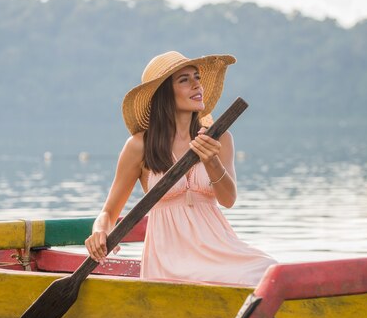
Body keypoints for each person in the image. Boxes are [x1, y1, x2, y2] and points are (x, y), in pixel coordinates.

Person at [85, 51, 276, 285]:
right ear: (164, 94)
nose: (197, 84)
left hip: (220, 248)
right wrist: (99, 231)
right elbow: (108, 213)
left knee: (270, 271)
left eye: (197, 77)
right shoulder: (139, 146)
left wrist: (211, 161)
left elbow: (228, 200)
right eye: (184, 80)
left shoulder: (220, 137)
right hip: (169, 258)